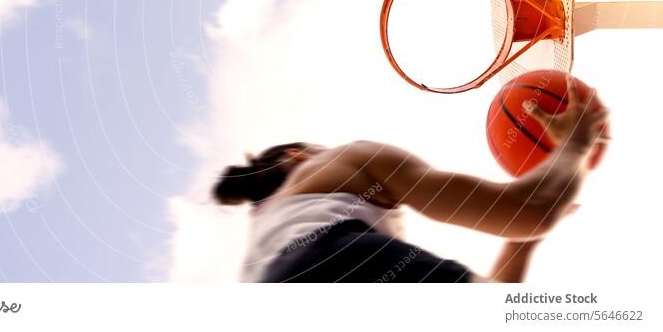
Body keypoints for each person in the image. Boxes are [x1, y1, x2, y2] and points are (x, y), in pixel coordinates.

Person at [212, 76, 610, 282]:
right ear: (295, 155)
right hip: (335, 260)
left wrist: (528, 235)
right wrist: (574, 144)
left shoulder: (261, 248)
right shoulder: (342, 159)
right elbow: (527, 210)